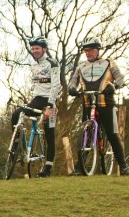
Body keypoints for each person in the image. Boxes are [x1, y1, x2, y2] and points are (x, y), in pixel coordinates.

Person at [68, 36, 129, 175]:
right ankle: (79, 168)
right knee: (86, 135)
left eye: (90, 50)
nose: (87, 53)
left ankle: (124, 167)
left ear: (97, 50)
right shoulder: (81, 67)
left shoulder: (108, 63)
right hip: (88, 103)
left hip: (106, 103)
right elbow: (73, 81)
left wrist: (113, 86)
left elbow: (120, 79)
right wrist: (71, 89)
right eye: (85, 51)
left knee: (113, 134)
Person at [11, 36, 60, 177]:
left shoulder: (53, 63)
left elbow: (56, 86)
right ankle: (17, 148)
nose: (35, 51)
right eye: (33, 49)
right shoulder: (34, 65)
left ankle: (48, 168)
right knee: (16, 114)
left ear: (44, 49)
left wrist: (50, 106)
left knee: (49, 135)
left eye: (37, 48)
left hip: (49, 101)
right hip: (36, 99)